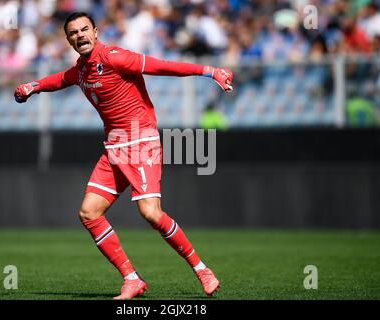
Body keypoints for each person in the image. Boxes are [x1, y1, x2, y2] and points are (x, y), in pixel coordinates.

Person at [14, 12, 233, 300]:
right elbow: (61, 79)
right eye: (74, 32)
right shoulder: (81, 70)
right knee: (89, 213)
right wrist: (34, 86)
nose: (80, 35)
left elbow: (161, 66)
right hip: (115, 147)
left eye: (84, 29)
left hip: (141, 141)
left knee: (151, 213)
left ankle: (202, 269)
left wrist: (209, 71)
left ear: (96, 31)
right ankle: (132, 279)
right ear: (68, 40)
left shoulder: (115, 57)